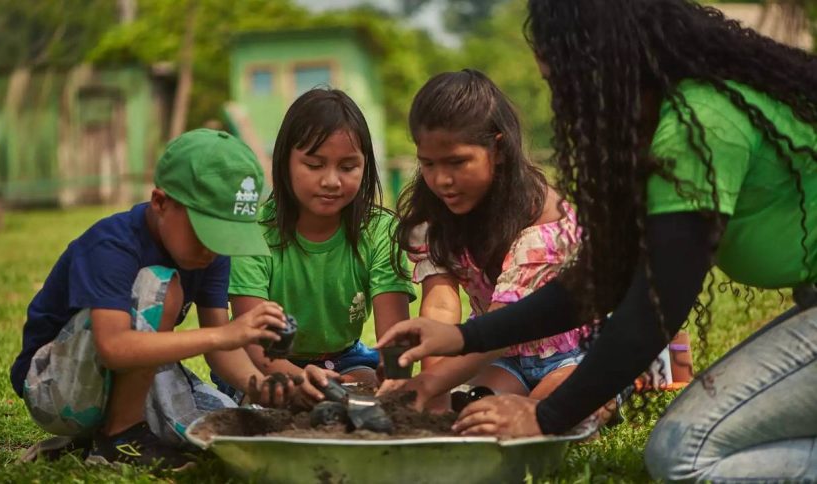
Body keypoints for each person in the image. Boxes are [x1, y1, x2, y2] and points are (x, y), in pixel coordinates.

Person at [377, 0, 817, 481]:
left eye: (562, 81)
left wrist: (546, 415)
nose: (562, 102)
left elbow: (656, 305)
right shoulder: (673, 118)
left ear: (605, 62)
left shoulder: (701, 127)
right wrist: (465, 337)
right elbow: (602, 281)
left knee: (682, 452)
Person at [12, 129, 320, 470]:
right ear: (160, 202)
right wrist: (226, 334)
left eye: (226, 236)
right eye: (206, 232)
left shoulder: (211, 254)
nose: (213, 249)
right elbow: (113, 347)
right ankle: (118, 437)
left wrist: (261, 386)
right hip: (53, 388)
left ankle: (86, 441)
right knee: (160, 284)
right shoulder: (112, 245)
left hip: (127, 379)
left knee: (223, 429)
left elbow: (221, 351)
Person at [380, 69, 588, 411]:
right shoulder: (437, 219)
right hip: (500, 359)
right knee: (478, 411)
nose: (441, 180)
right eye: (428, 164)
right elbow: (441, 306)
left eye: (457, 162)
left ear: (498, 149)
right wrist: (434, 399)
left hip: (572, 353)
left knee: (548, 410)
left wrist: (428, 384)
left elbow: (505, 326)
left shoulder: (544, 218)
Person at [212, 88, 415, 401]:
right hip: (265, 361)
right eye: (314, 164)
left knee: (363, 391)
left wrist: (393, 381)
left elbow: (394, 340)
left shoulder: (380, 231)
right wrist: (300, 379)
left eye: (347, 167)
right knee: (276, 402)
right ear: (285, 163)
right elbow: (254, 343)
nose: (331, 181)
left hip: (345, 359)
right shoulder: (253, 232)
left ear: (366, 166)